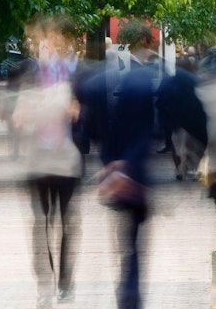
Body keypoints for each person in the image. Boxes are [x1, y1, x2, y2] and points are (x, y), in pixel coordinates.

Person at [76, 19, 156, 309]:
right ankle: (130, 292)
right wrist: (128, 163)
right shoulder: (144, 81)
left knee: (123, 235)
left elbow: (89, 130)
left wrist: (110, 164)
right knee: (133, 238)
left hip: (111, 171)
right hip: (136, 172)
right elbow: (150, 130)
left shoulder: (94, 84)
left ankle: (126, 288)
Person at [12, 22, 83, 308]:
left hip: (66, 158)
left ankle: (65, 282)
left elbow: (88, 112)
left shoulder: (76, 73)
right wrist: (22, 117)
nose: (45, 43)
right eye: (40, 39)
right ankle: (45, 285)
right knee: (41, 225)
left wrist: (78, 111)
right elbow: (18, 116)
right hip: (39, 159)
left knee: (68, 224)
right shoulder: (30, 74)